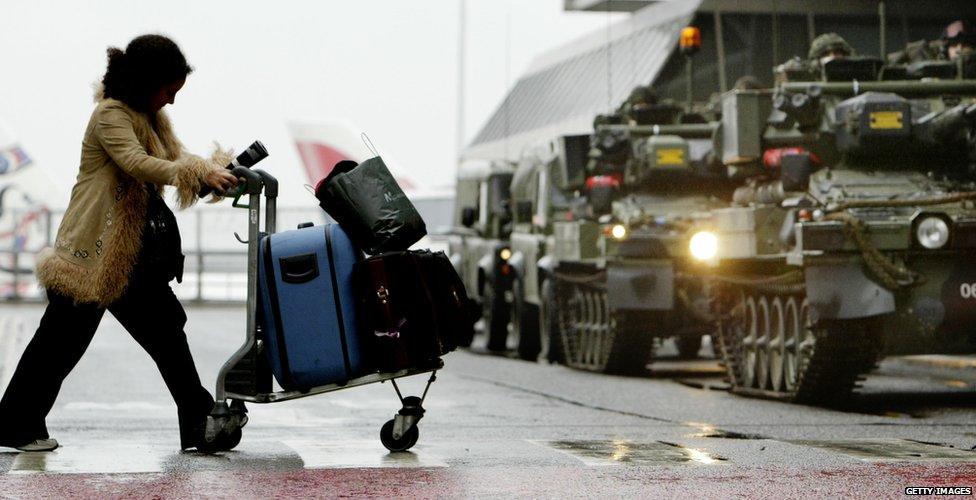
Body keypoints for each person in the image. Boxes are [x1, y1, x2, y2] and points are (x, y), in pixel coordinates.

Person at [0, 34, 239, 452]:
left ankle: (199, 424)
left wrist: (212, 169)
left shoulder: (148, 116)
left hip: (130, 257)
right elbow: (137, 162)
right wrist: (198, 174)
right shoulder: (111, 115)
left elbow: (174, 159)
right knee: (58, 346)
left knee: (167, 332)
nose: (172, 101)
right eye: (169, 91)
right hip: (90, 255)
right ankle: (13, 425)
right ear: (148, 82)